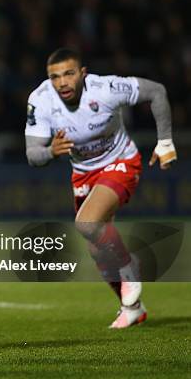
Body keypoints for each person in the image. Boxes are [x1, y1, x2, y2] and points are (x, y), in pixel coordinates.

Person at [24, 48, 177, 328]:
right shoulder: (40, 100)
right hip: (82, 174)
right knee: (97, 249)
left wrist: (165, 141)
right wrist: (51, 152)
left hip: (121, 161)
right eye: (55, 77)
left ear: (83, 74)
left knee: (87, 223)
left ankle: (129, 267)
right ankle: (132, 309)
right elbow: (33, 154)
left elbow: (156, 91)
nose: (62, 82)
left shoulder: (105, 88)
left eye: (69, 74)